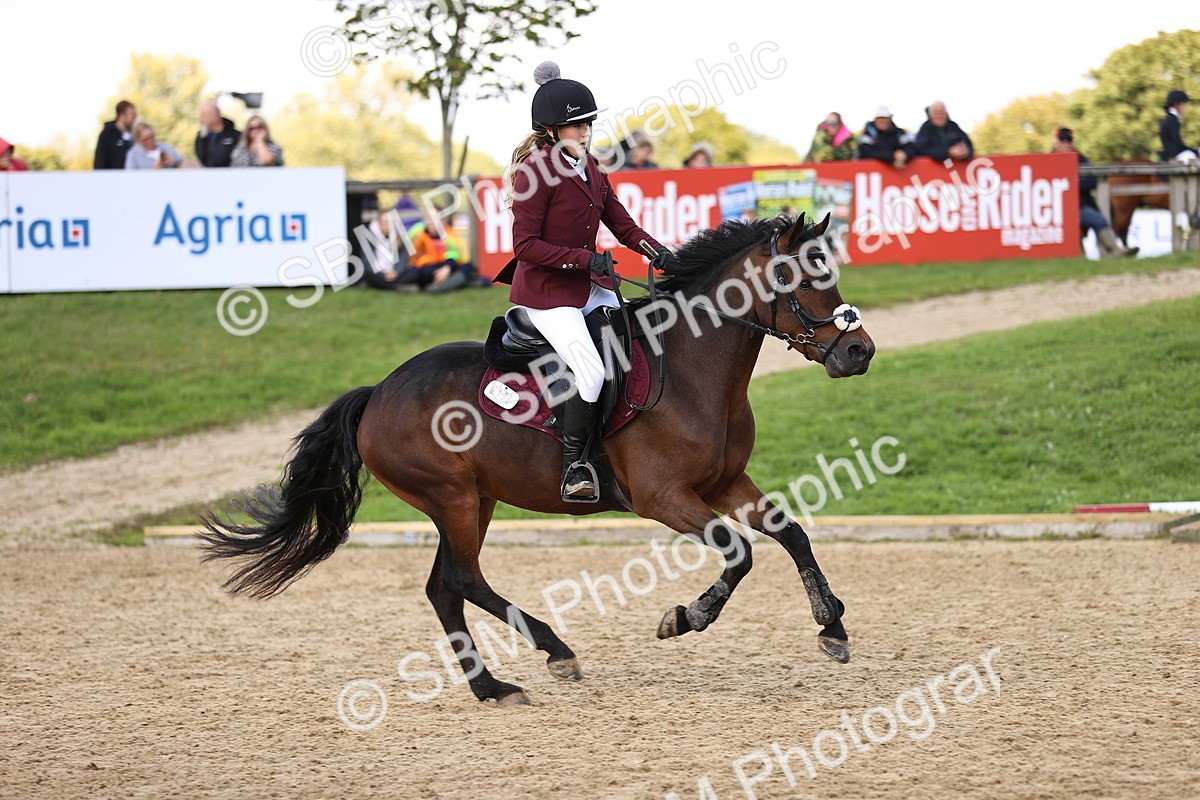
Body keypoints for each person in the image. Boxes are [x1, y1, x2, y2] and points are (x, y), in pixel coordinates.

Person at [493, 60, 673, 503]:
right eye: (576, 126)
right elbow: (525, 246)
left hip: (587, 286)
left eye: (588, 123)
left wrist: (664, 254)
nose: (585, 132)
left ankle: (622, 444)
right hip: (548, 296)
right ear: (551, 131)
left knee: (636, 341)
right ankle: (574, 465)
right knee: (591, 371)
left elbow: (624, 226)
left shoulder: (591, 167)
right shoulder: (534, 174)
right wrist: (585, 261)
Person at [1053, 128, 1137, 258]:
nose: (1065, 144)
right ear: (1056, 142)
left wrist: (1071, 186)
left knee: (1098, 219)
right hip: (1055, 209)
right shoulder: (1047, 160)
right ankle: (1080, 257)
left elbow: (1092, 181)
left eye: (1068, 140)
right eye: (1062, 140)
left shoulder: (1081, 159)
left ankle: (1114, 250)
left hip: (1080, 206)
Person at [195, 99, 241, 167]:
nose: (201, 118)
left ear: (216, 115)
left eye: (205, 114)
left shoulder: (236, 136)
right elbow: (201, 158)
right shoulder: (202, 137)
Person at [94, 100, 137, 169]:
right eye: (132, 115)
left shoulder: (136, 135)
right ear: (121, 115)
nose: (135, 119)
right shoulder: (107, 136)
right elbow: (100, 162)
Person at [1159, 89, 1197, 163]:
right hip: (1174, 155)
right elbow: (1178, 143)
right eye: (1183, 104)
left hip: (1173, 153)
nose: (1185, 107)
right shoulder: (1172, 120)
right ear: (1176, 104)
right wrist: (1195, 151)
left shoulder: (1170, 119)